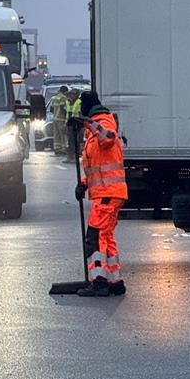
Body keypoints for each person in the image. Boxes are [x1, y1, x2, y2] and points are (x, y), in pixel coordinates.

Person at [73, 91, 128, 296]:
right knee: (106, 236)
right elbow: (98, 165)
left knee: (94, 237)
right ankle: (115, 281)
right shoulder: (92, 130)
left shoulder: (104, 121)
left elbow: (108, 138)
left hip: (108, 193)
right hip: (106, 192)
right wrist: (83, 184)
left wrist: (88, 123)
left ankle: (99, 281)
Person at [48, 86, 70, 156]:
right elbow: (63, 107)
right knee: (62, 134)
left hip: (55, 119)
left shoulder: (54, 98)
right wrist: (66, 114)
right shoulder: (63, 98)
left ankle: (57, 148)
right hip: (61, 119)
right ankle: (63, 149)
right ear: (65, 91)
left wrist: (55, 114)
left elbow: (51, 109)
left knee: (56, 134)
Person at [64, 92, 82, 163]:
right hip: (70, 124)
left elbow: (80, 113)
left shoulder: (79, 102)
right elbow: (68, 113)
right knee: (70, 141)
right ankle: (70, 157)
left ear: (77, 95)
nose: (71, 96)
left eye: (73, 94)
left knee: (75, 141)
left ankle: (75, 157)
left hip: (76, 124)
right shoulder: (69, 102)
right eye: (71, 94)